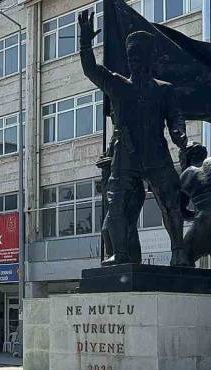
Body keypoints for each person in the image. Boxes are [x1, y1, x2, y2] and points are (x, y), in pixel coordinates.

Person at [79, 11, 191, 266]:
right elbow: (91, 69)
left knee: (171, 202)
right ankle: (121, 253)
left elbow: (175, 117)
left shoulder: (165, 89)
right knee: (116, 205)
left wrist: (179, 133)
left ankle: (179, 252)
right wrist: (85, 43)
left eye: (140, 56)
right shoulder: (118, 85)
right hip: (125, 155)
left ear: (150, 58)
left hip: (156, 153)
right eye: (132, 57)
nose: (135, 61)